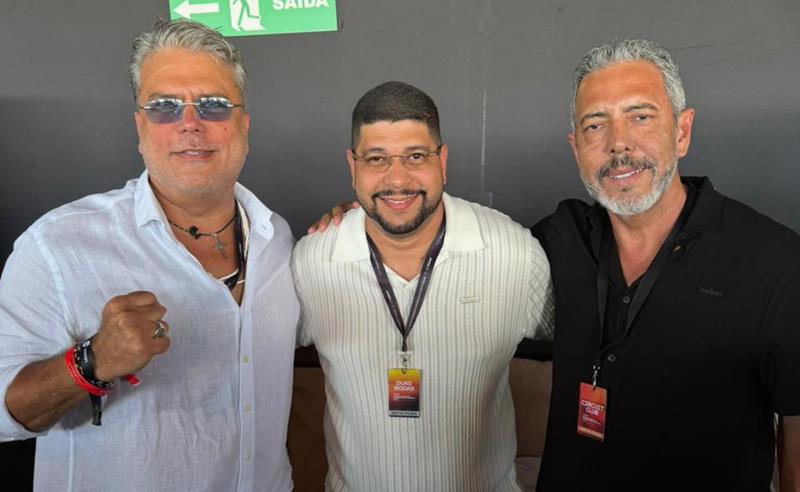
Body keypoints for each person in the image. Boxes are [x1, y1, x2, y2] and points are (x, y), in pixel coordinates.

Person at [0, 19, 298, 491]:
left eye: (214, 105)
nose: (190, 122)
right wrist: (90, 362)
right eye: (163, 107)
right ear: (140, 126)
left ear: (243, 124)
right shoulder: (56, 245)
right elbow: (4, 414)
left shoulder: (276, 237)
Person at [532, 39, 800, 491]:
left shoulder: (775, 261)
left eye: (640, 116)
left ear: (682, 131)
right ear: (576, 148)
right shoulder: (558, 240)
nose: (618, 143)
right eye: (595, 125)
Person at [292, 81, 554, 491]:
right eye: (376, 158)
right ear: (353, 166)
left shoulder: (515, 254)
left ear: (442, 160)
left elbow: (592, 347)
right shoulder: (311, 262)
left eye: (415, 156)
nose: (397, 179)